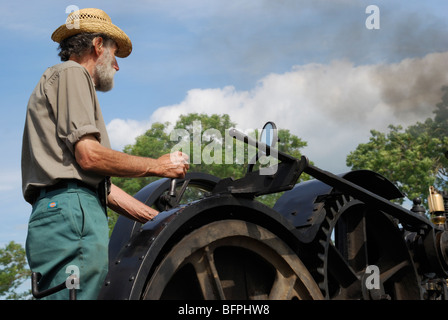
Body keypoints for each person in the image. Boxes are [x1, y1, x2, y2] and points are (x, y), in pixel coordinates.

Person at [21, 8, 189, 300]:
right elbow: (90, 156)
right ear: (98, 45)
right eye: (114, 53)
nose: (118, 66)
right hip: (73, 210)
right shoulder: (73, 73)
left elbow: (103, 187)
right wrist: (159, 166)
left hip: (62, 209)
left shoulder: (58, 81)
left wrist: (159, 218)